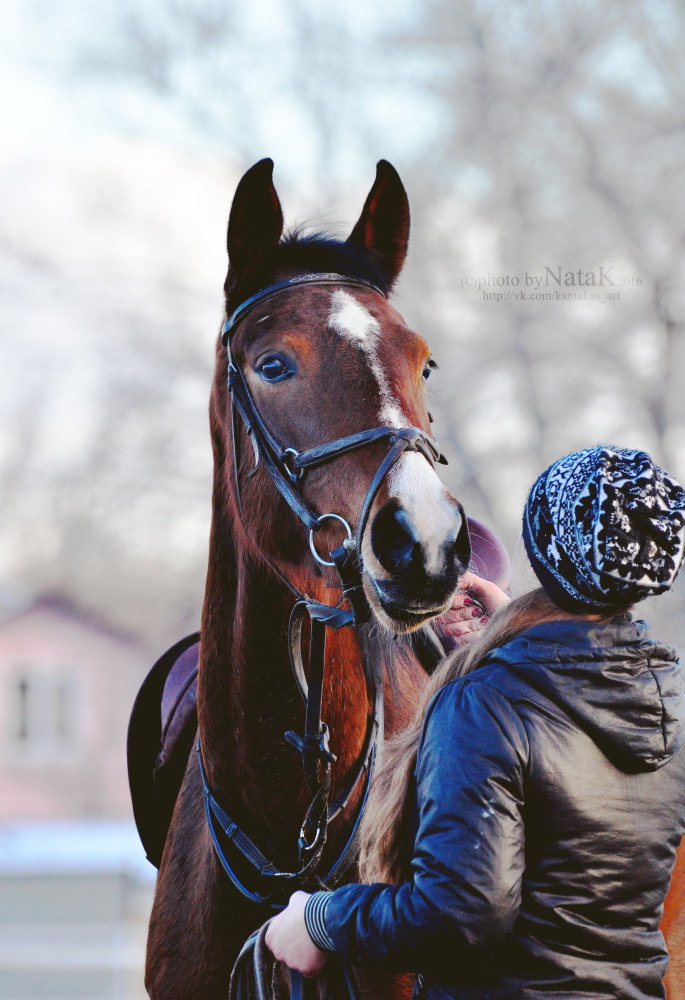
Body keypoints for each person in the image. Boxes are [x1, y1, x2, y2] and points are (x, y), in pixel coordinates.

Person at [266, 445, 685, 999]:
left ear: (544, 548)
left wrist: (319, 920)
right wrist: (510, 631)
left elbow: (458, 916)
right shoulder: (664, 711)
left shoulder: (485, 707)